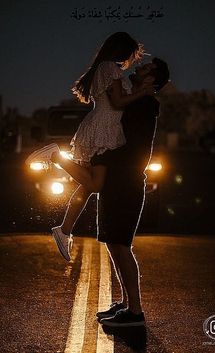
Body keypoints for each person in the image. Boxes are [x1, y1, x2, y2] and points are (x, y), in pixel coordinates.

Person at [50, 58, 170, 326]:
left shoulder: (145, 104)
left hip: (126, 181)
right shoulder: (134, 99)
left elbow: (137, 149)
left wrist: (102, 157)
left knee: (121, 245)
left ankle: (135, 313)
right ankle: (127, 304)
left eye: (146, 68)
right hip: (116, 180)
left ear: (152, 80)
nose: (140, 68)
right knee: (114, 244)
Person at [25, 32, 155, 260]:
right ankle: (56, 156)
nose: (132, 59)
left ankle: (64, 230)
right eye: (132, 53)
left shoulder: (107, 68)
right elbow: (116, 102)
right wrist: (142, 92)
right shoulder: (109, 68)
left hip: (105, 127)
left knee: (87, 186)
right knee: (95, 185)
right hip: (103, 129)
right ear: (122, 49)